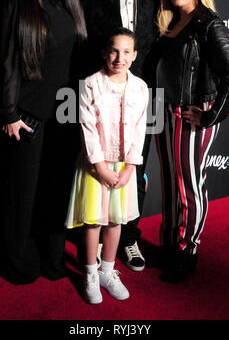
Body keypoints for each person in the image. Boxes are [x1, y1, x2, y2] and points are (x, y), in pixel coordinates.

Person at [0, 0, 87, 285]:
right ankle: (19, 263)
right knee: (24, 195)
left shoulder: (70, 5)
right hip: (29, 117)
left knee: (56, 193)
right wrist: (8, 113)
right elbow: (7, 63)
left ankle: (52, 260)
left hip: (66, 116)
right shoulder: (18, 3)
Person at [77, 0, 160, 272]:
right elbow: (77, 49)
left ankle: (128, 239)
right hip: (99, 101)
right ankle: (92, 246)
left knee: (133, 169)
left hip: (144, 99)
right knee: (96, 170)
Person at [155, 0, 229, 282]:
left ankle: (188, 251)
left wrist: (209, 116)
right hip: (164, 110)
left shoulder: (209, 23)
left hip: (191, 113)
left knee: (189, 187)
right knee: (169, 185)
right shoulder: (173, 21)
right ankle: (169, 245)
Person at [65, 28, 149, 304]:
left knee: (115, 219)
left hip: (124, 165)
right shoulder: (91, 84)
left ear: (134, 56)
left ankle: (107, 271)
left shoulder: (139, 87)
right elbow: (87, 128)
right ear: (104, 52)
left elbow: (139, 131)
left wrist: (129, 168)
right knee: (93, 220)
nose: (119, 57)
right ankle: (90, 272)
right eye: (113, 50)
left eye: (126, 52)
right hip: (95, 164)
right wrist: (100, 166)